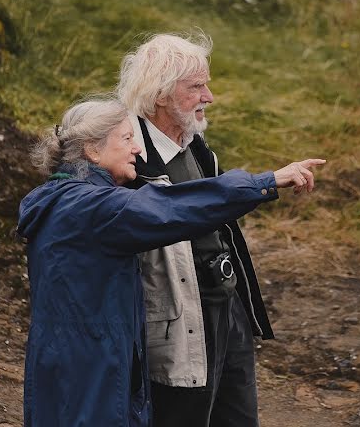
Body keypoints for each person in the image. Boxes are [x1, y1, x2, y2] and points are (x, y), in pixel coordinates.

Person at [17, 97, 324, 427]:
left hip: (66, 361)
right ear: (92, 150)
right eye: (127, 138)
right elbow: (172, 208)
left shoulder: (59, 199)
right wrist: (263, 183)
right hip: (94, 371)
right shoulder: (93, 208)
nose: (138, 149)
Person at [117, 33, 292, 427]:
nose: (209, 96)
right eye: (196, 86)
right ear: (160, 94)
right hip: (178, 322)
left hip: (227, 309)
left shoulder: (196, 145)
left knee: (239, 418)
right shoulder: (128, 157)